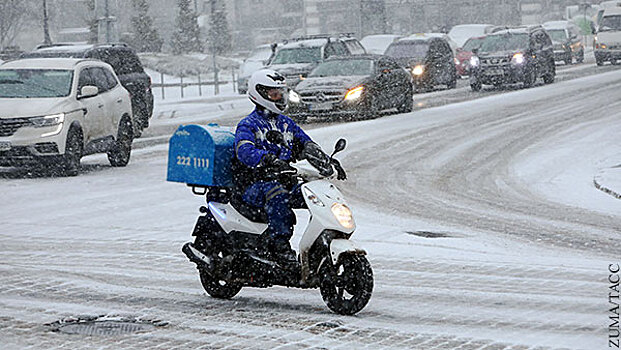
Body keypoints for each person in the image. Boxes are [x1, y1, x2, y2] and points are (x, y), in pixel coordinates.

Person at [232, 69, 332, 266]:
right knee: (277, 194)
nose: (280, 98)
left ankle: (323, 241)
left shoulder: (286, 123)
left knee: (317, 196)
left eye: (282, 93)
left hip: (284, 179)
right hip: (255, 183)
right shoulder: (249, 125)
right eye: (275, 94)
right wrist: (267, 159)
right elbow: (244, 151)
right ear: (260, 94)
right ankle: (280, 247)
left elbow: (305, 143)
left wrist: (325, 159)